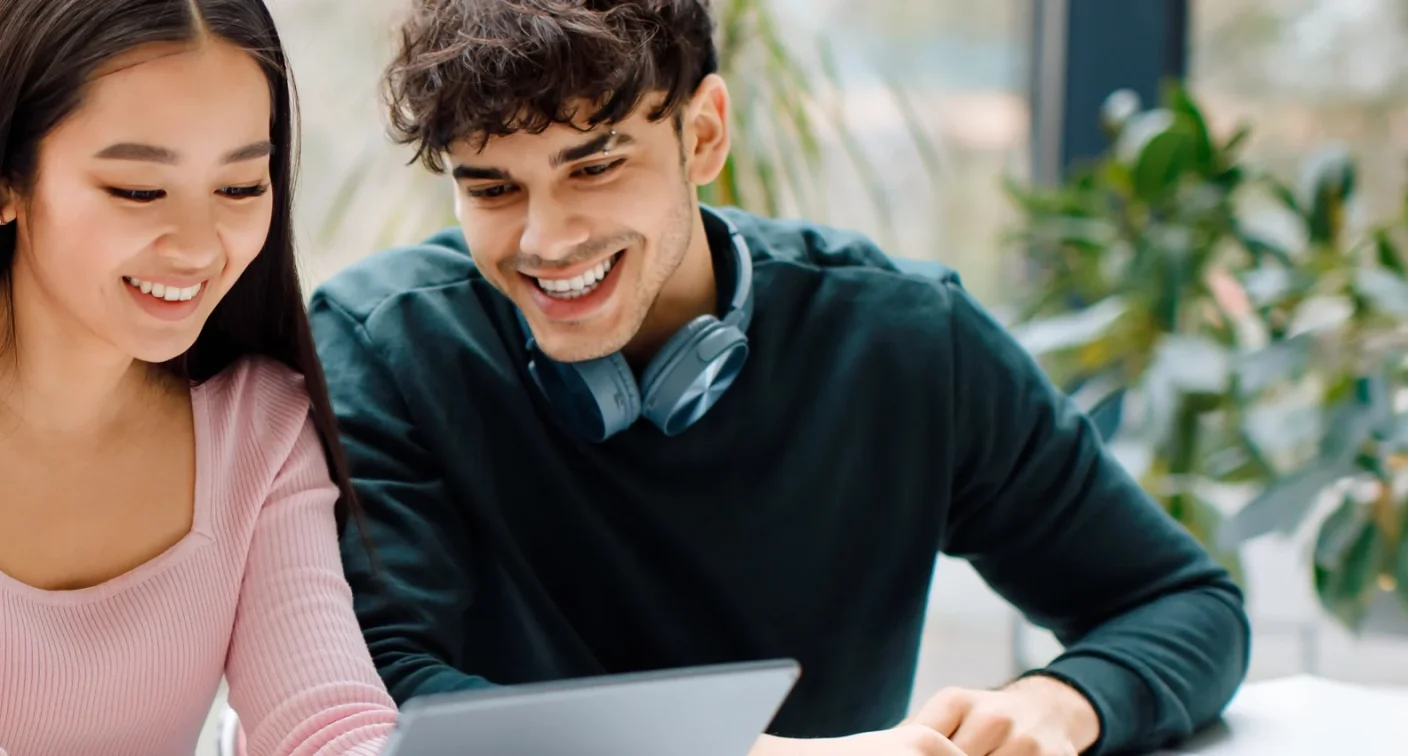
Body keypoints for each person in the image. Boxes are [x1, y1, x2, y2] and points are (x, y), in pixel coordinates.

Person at [311, 1, 1249, 755]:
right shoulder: (382, 346)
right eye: (491, 188)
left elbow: (1182, 602)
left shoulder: (906, 339)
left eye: (594, 167)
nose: (545, 241)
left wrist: (1068, 698)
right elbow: (384, 705)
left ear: (704, 133)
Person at [0, 0, 397, 753]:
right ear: (2, 180)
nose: (196, 248)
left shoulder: (260, 422)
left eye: (241, 188)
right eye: (138, 190)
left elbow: (327, 725)